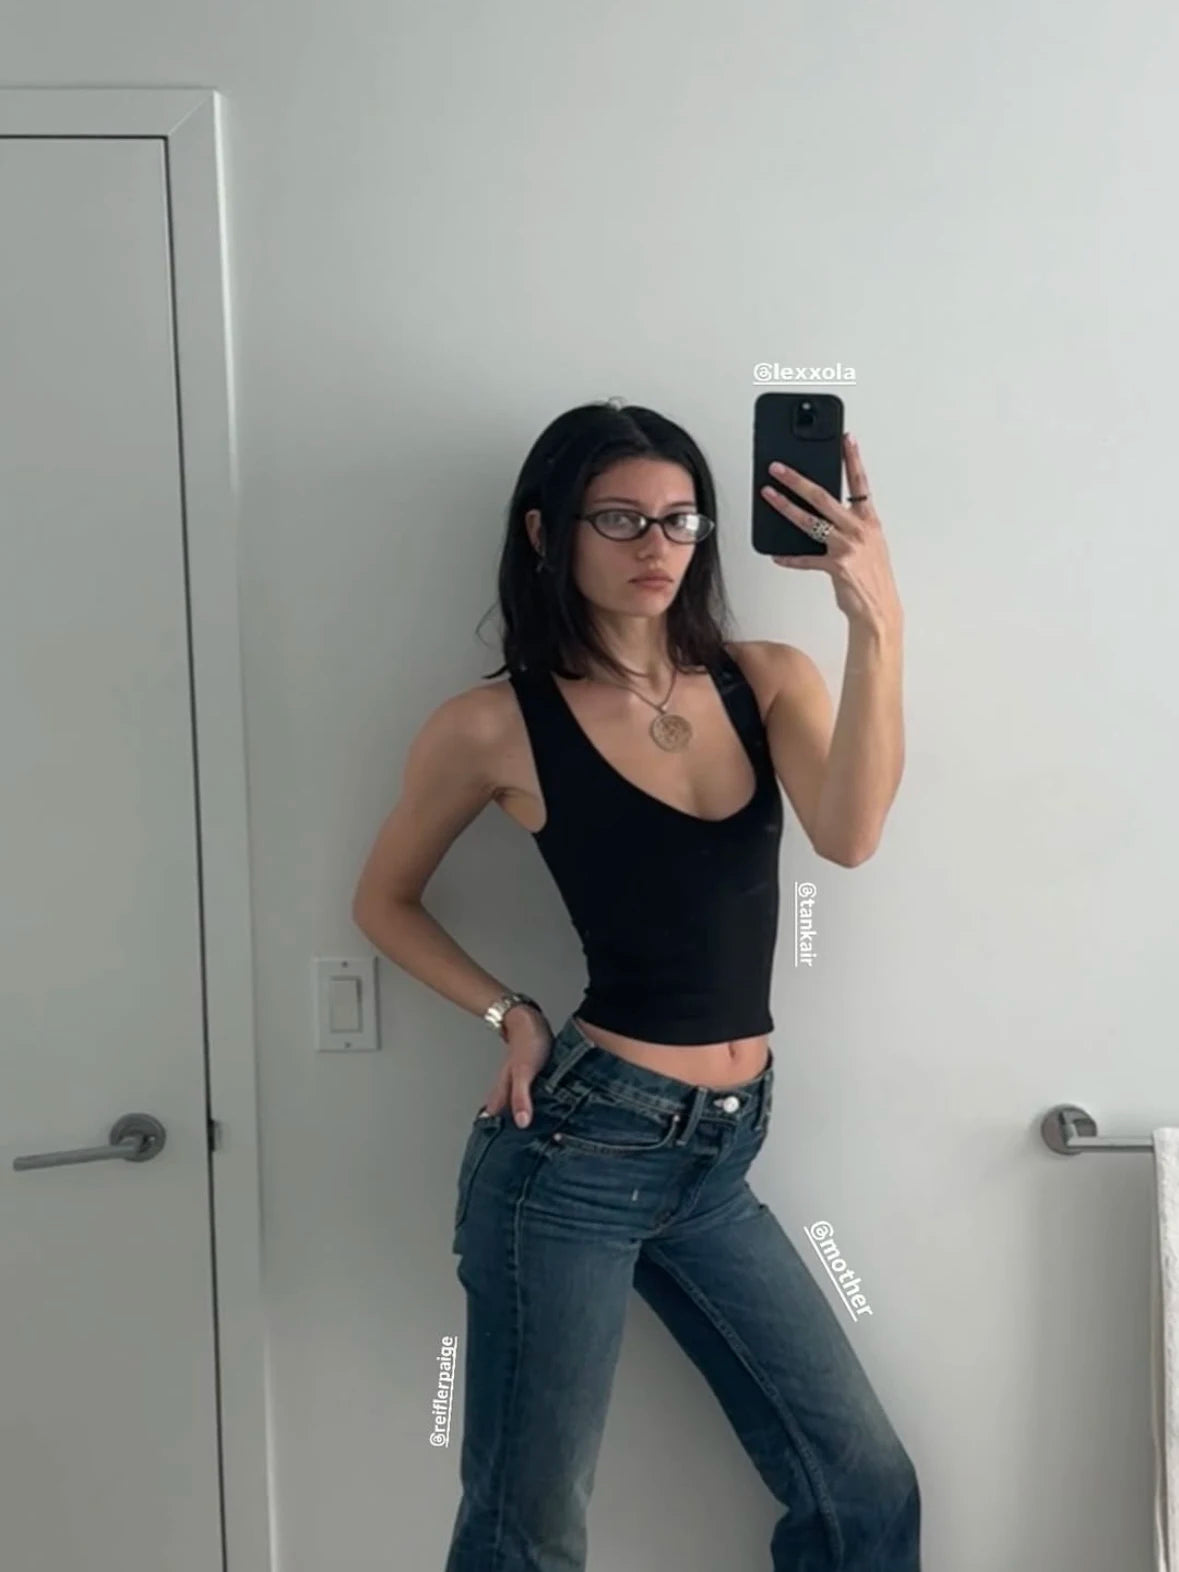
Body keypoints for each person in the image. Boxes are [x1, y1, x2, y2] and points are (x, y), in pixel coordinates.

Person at [350, 398, 915, 1570]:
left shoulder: (765, 680)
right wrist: (510, 1014)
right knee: (528, 1535)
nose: (658, 546)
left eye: (680, 519)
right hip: (575, 1158)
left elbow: (852, 833)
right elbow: (383, 902)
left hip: (721, 1157)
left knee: (862, 1489)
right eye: (620, 519)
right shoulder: (492, 726)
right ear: (546, 531)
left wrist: (877, 621)